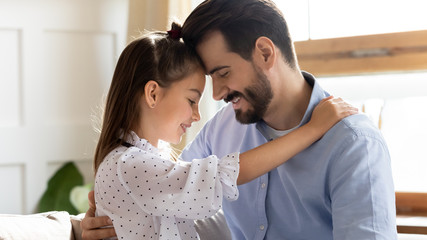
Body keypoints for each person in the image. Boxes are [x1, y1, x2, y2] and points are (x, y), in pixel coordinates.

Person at [82, 0, 397, 239]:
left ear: (264, 53)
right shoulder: (222, 129)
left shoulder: (354, 145)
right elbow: (176, 198)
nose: (217, 94)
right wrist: (109, 222)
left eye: (223, 73)